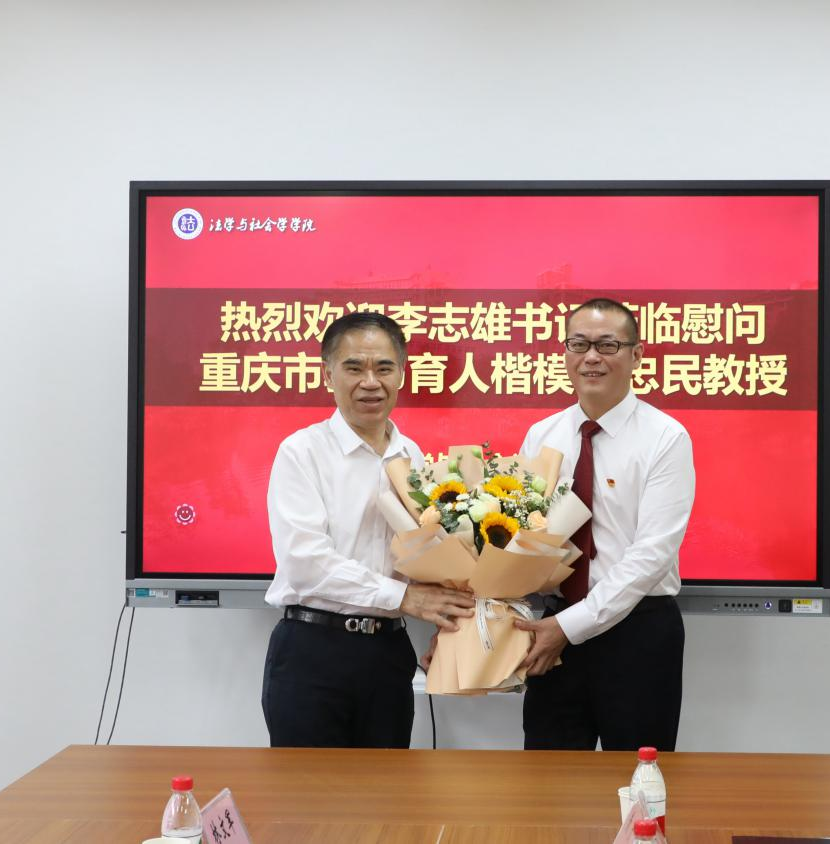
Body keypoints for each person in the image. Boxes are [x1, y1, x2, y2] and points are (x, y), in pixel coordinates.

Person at [261, 312, 475, 748]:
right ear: (328, 375)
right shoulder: (302, 452)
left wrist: (450, 620)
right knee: (308, 789)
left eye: (384, 368)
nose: (370, 382)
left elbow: (426, 557)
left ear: (402, 374)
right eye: (354, 368)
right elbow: (305, 563)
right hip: (313, 650)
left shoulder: (412, 456)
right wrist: (405, 597)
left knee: (386, 787)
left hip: (388, 653)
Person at [513, 297, 695, 751]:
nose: (591, 357)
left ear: (636, 355)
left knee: (638, 778)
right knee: (546, 779)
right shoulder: (543, 435)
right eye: (579, 344)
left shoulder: (665, 437)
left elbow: (652, 554)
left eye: (607, 345)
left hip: (638, 632)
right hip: (554, 626)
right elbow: (526, 537)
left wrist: (570, 626)